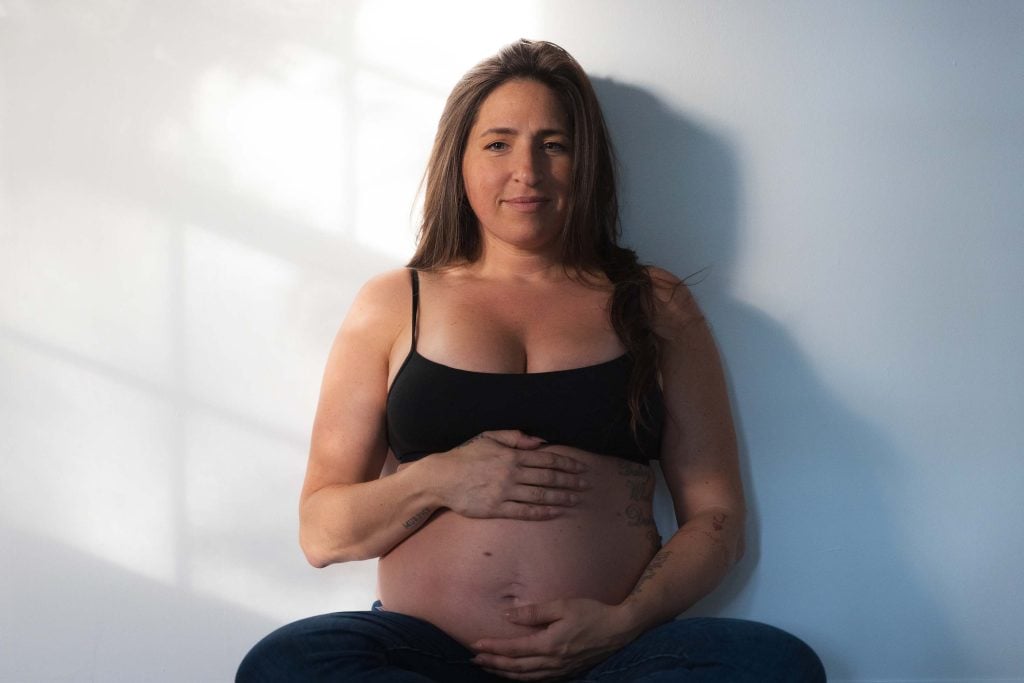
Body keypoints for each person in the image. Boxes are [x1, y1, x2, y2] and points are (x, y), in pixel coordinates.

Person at [237, 39, 825, 682]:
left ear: (587, 162)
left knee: (774, 665)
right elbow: (322, 532)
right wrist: (438, 479)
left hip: (614, 657)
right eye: (498, 143)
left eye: (554, 144)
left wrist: (624, 621)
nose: (528, 170)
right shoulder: (393, 303)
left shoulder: (655, 303)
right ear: (458, 163)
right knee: (286, 664)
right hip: (424, 657)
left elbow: (717, 516)